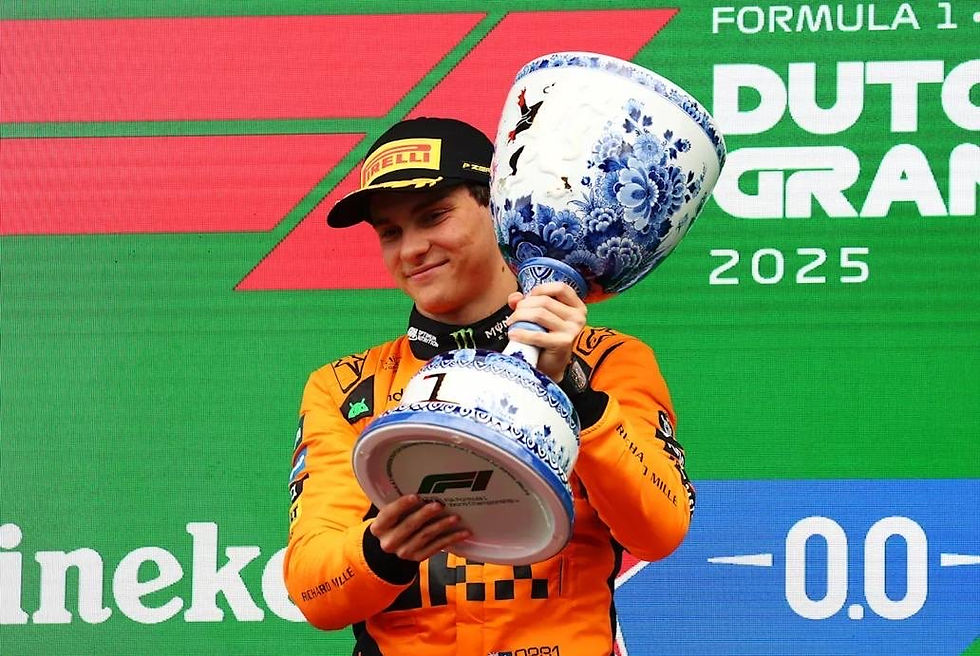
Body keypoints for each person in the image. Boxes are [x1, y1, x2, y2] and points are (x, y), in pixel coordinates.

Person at [284, 117, 695, 656]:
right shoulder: (344, 388)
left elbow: (658, 530)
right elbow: (314, 591)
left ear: (498, 206)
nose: (411, 249)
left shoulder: (607, 360)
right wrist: (381, 552)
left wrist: (574, 391)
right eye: (391, 232)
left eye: (434, 216)